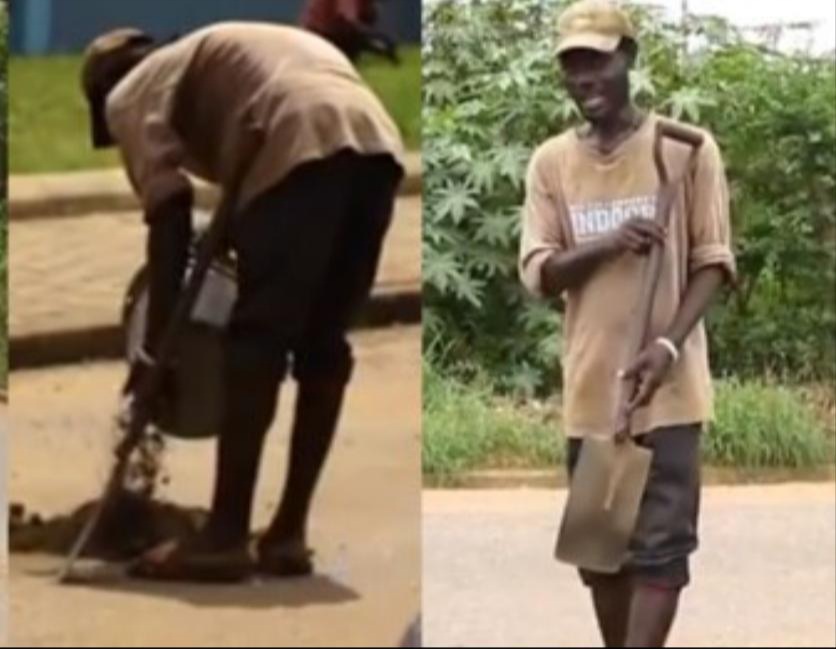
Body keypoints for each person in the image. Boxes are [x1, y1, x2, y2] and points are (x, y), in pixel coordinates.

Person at [81, 22, 403, 581]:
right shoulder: (213, 59)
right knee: (323, 346)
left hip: (297, 135)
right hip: (374, 143)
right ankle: (287, 535)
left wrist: (158, 347)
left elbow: (169, 211)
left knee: (255, 342)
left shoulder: (128, 93)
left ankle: (224, 535)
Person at [519, 1, 736, 645]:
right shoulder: (551, 164)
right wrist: (610, 242)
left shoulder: (686, 151)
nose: (586, 79)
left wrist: (668, 345)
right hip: (592, 396)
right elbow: (540, 273)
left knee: (662, 553)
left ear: (629, 59)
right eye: (574, 66)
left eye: (599, 62)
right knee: (599, 559)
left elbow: (713, 263)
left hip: (668, 392)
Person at [300, 0, 399, 62]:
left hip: (330, 31)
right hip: (321, 36)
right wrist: (376, 41)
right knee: (357, 35)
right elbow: (347, 21)